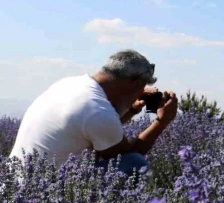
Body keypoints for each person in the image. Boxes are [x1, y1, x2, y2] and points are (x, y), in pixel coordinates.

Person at [9, 49, 178, 177]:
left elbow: (95, 128)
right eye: (141, 87)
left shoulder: (70, 84)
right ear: (133, 83)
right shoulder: (97, 111)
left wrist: (132, 109)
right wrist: (162, 122)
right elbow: (127, 157)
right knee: (135, 165)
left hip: (13, 185)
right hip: (43, 192)